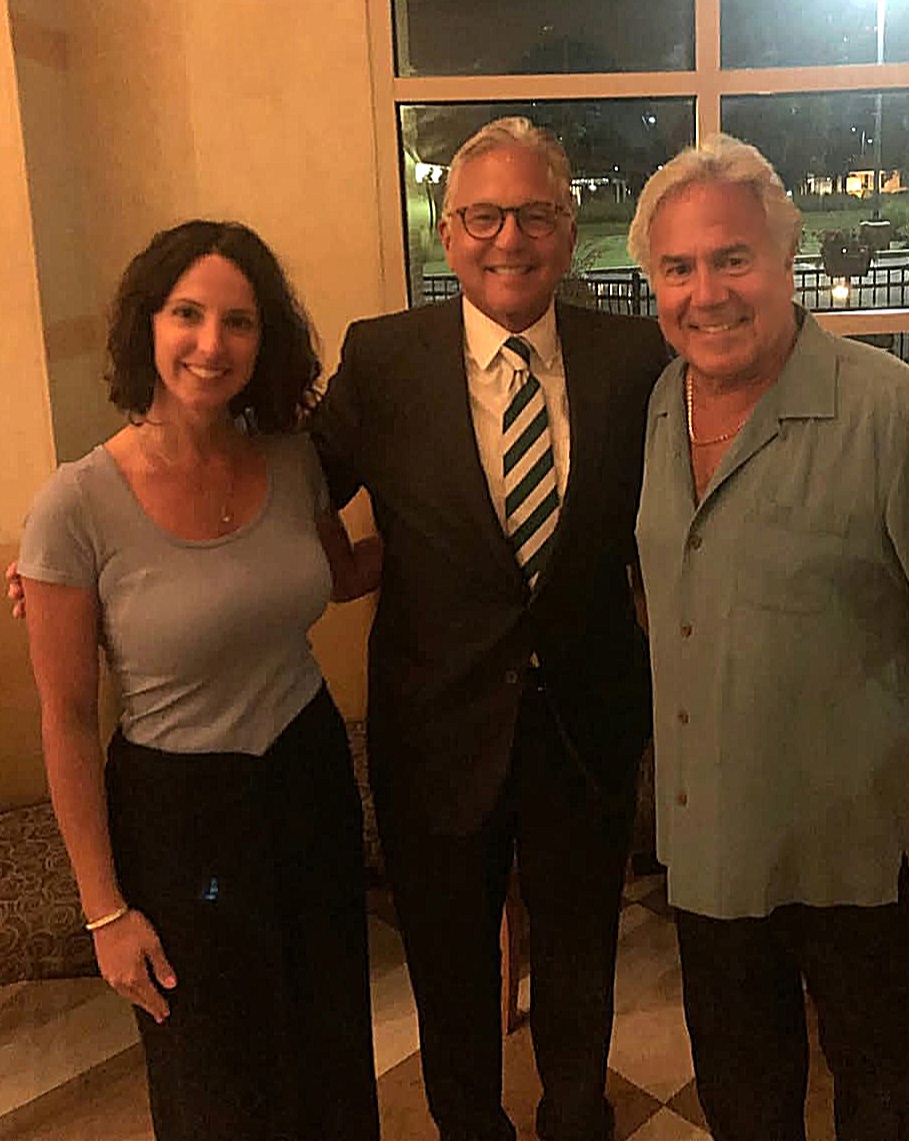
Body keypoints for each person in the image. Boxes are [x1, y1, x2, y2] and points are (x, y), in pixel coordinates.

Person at [628, 135, 909, 1141]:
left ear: (787, 257)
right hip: (714, 855)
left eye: (733, 258)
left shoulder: (896, 414)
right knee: (745, 1105)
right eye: (678, 268)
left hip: (861, 863)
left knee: (887, 1109)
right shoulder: (663, 404)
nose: (707, 293)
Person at [309, 117, 668, 1141]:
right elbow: (296, 483)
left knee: (580, 963)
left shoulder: (635, 357)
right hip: (435, 730)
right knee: (450, 972)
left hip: (586, 725)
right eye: (484, 216)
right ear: (446, 227)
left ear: (571, 228)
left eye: (536, 215)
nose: (510, 238)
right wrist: (138, 517)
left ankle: (576, 1119)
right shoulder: (384, 358)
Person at [16, 220, 382, 1141]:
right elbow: (66, 719)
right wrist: (104, 911)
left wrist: (469, 536)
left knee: (333, 1050)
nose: (211, 344)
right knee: (217, 1081)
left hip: (307, 778)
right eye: (187, 314)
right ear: (147, 323)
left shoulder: (292, 458)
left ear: (265, 342)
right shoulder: (74, 505)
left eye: (239, 322)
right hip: (180, 822)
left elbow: (342, 574)